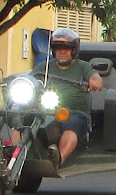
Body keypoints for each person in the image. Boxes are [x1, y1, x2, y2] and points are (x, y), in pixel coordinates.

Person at [29, 28, 103, 167]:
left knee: (71, 126)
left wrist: (95, 81)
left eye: (66, 48)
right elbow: (29, 79)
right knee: (20, 118)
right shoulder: (44, 67)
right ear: (53, 50)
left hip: (74, 112)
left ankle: (58, 161)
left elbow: (95, 76)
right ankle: (13, 153)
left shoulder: (83, 67)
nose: (62, 52)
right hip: (45, 111)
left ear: (73, 50)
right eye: (58, 48)